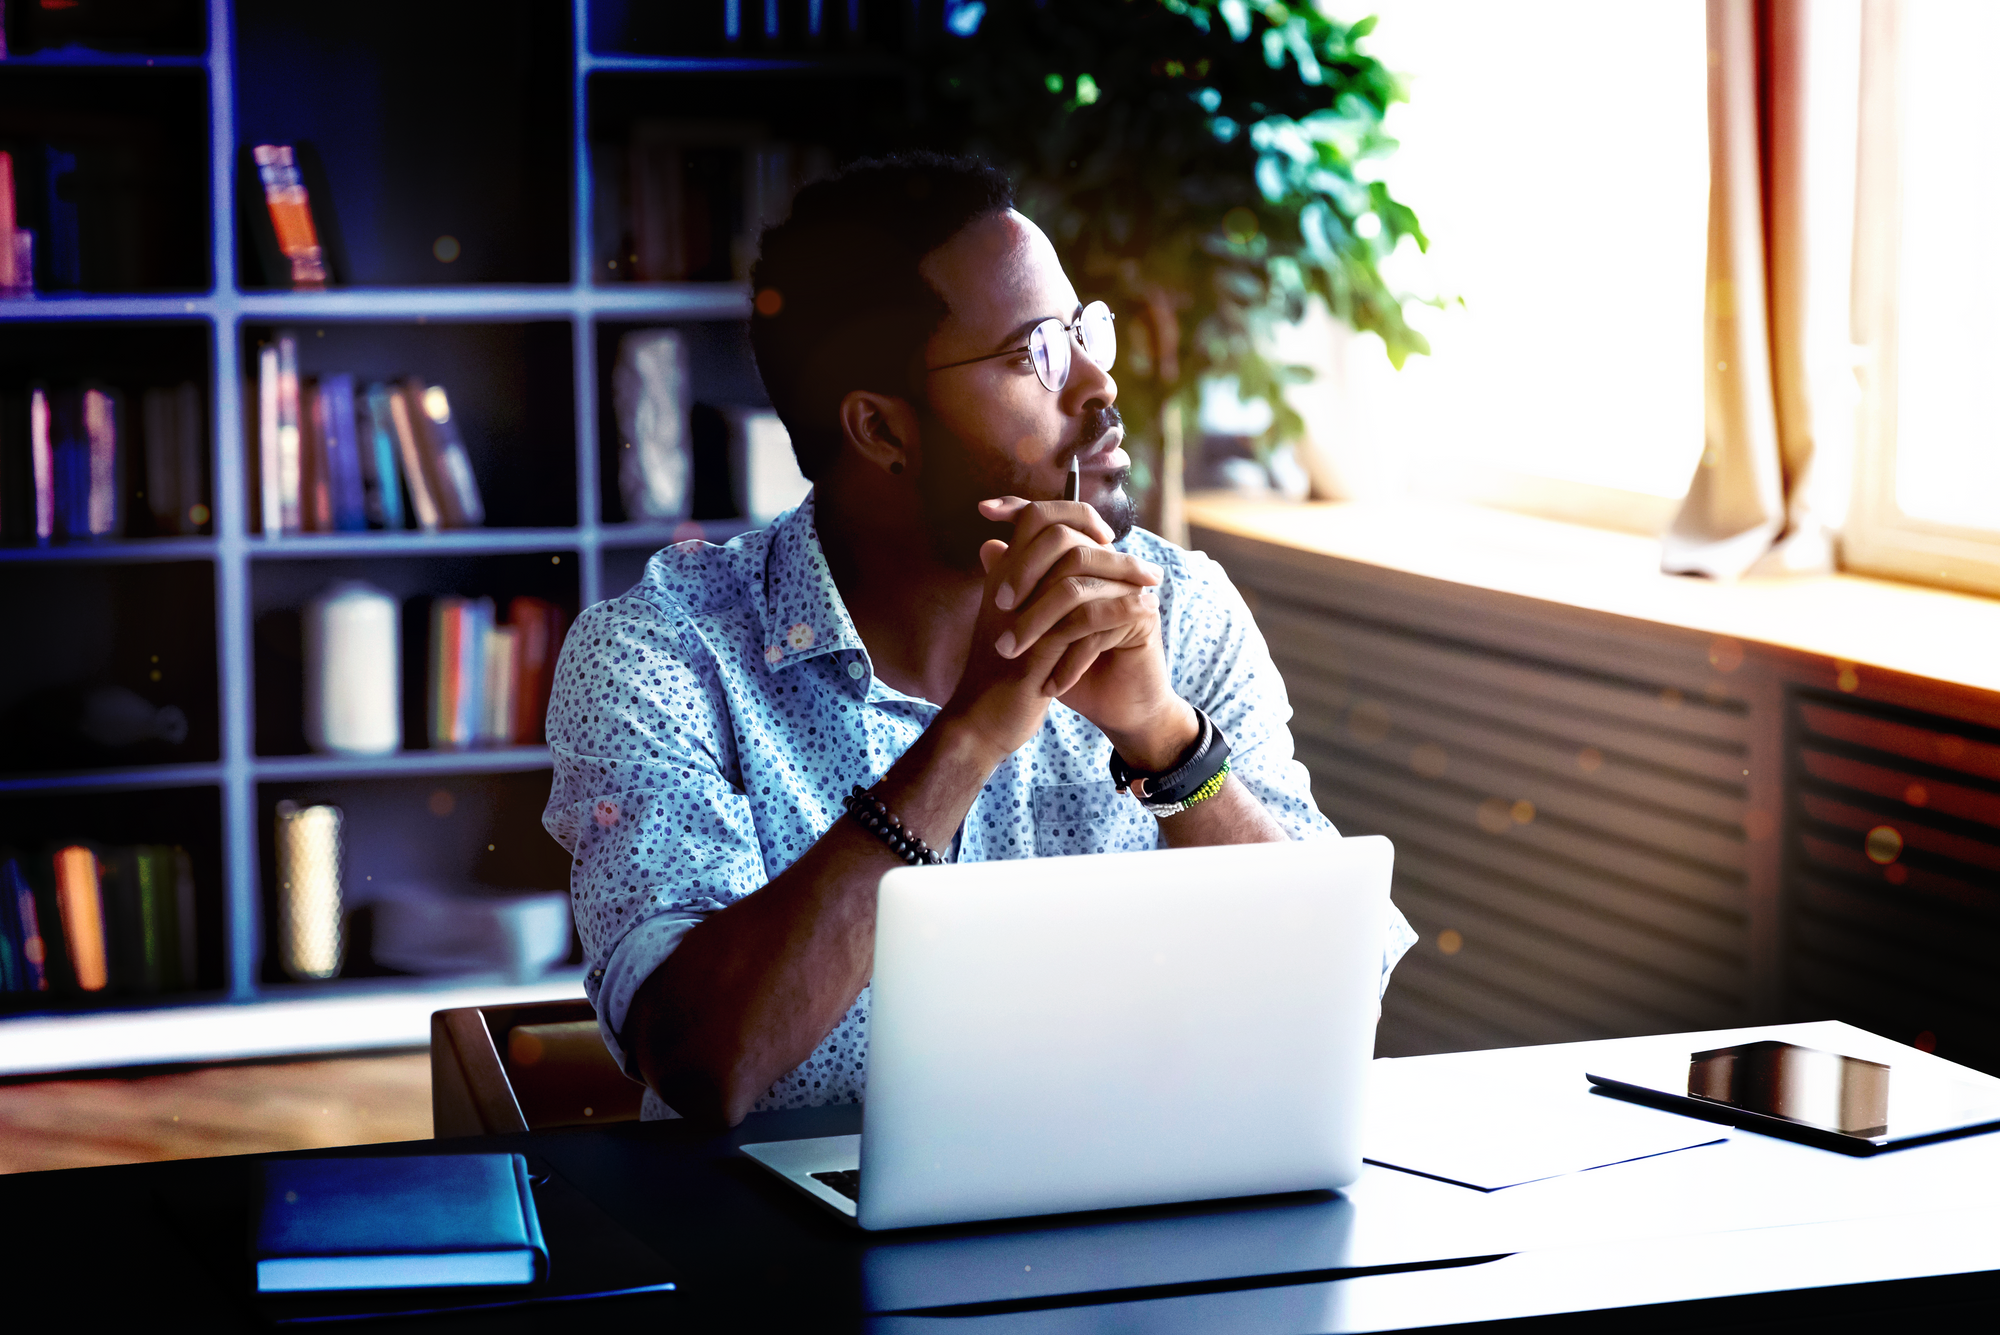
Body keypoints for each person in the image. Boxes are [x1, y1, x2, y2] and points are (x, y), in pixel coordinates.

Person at [542, 153, 1414, 1127]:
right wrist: (967, 738)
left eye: (1083, 332)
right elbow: (705, 1063)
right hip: (782, 1218)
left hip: (1139, 1201)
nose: (1098, 383)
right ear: (881, 430)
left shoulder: (1178, 611)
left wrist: (1167, 743)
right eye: (1033, 354)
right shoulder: (662, 656)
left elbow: (1343, 999)